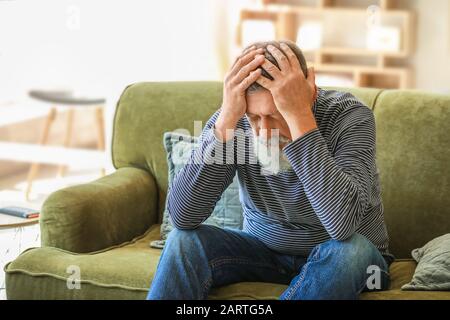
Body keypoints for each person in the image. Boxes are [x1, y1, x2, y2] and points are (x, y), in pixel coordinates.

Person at [147, 40, 394, 300]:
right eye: (255, 118)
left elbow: (342, 226)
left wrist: (299, 117)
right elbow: (184, 217)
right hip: (264, 254)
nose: (264, 133)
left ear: (309, 90)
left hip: (359, 264)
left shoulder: (351, 117)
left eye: (277, 114)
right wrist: (226, 122)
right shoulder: (237, 119)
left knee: (350, 252)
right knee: (183, 242)